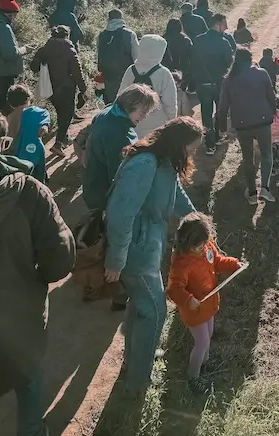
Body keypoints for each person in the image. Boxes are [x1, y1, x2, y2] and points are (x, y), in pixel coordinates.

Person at [0, 109, 75, 435]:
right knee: (28, 383)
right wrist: (32, 278)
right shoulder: (30, 192)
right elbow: (60, 261)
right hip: (22, 320)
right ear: (3, 144)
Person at [104, 118, 200, 397]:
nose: (192, 155)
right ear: (178, 143)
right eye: (191, 149)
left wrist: (196, 219)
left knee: (141, 305)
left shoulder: (164, 161)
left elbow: (175, 193)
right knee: (156, 311)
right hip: (134, 250)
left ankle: (135, 362)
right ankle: (137, 384)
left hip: (147, 246)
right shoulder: (145, 164)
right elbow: (121, 214)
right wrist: (116, 260)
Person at [167, 213, 242, 395]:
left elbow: (216, 261)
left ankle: (205, 362)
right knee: (201, 341)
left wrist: (233, 264)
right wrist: (187, 299)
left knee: (208, 334)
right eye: (197, 246)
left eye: (204, 243)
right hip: (194, 310)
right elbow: (174, 289)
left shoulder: (206, 246)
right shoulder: (181, 262)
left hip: (208, 304)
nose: (202, 248)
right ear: (186, 242)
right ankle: (193, 377)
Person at [83, 84, 159, 213]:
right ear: (129, 106)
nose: (144, 117)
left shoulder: (108, 112)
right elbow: (120, 176)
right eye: (142, 113)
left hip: (92, 186)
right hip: (105, 197)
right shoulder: (119, 136)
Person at [218, 48, 276, 204]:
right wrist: (273, 112)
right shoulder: (262, 73)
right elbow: (271, 96)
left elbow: (222, 107)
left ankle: (251, 193)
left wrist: (222, 127)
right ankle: (265, 188)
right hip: (263, 120)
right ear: (251, 59)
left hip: (242, 125)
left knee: (247, 158)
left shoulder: (228, 80)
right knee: (266, 155)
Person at [30, 25, 87, 158]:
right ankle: (58, 144)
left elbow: (33, 67)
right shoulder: (69, 50)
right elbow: (77, 72)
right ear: (67, 35)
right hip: (66, 88)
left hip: (50, 88)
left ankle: (64, 137)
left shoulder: (44, 49)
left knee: (60, 112)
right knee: (66, 115)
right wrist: (83, 90)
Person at [118, 35, 177, 138]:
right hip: (157, 125)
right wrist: (172, 120)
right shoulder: (163, 73)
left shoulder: (131, 70)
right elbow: (170, 102)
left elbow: (120, 96)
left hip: (133, 123)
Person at [192, 14, 233, 155]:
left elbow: (192, 61)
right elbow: (230, 63)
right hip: (219, 83)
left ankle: (209, 144)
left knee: (206, 113)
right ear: (217, 25)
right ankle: (217, 138)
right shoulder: (224, 42)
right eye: (224, 24)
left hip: (202, 83)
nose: (226, 27)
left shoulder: (197, 40)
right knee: (220, 111)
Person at [0, 0, 26, 113]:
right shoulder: (4, 27)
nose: (14, 18)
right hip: (4, 74)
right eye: (13, 15)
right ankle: (7, 130)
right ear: (9, 13)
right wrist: (25, 49)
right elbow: (10, 54)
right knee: (8, 108)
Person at [8, 86, 51, 184]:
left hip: (17, 154)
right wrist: (44, 128)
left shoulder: (10, 117)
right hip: (35, 150)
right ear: (28, 98)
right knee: (39, 177)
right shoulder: (37, 112)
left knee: (23, 178)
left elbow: (9, 138)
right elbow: (44, 124)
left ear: (10, 103)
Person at [97, 8, 139, 104]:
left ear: (109, 19)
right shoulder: (130, 34)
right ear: (121, 18)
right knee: (125, 102)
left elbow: (99, 54)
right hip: (126, 73)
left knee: (109, 102)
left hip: (107, 74)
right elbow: (136, 56)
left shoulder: (101, 35)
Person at [162, 18, 193, 87]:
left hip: (167, 69)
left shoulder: (164, 38)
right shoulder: (185, 39)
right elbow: (191, 55)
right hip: (183, 69)